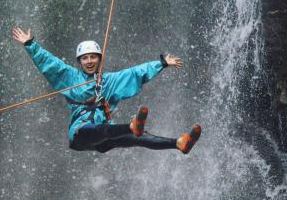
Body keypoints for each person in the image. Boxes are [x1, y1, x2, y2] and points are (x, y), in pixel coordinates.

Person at [12, 27, 201, 154]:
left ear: (99, 59)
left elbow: (135, 73)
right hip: (81, 134)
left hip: (105, 137)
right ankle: (131, 126)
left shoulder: (109, 81)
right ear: (79, 62)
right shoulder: (71, 78)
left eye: (93, 57)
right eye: (84, 58)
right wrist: (30, 45)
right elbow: (51, 64)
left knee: (138, 138)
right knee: (111, 130)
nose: (89, 61)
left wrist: (161, 63)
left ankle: (179, 143)